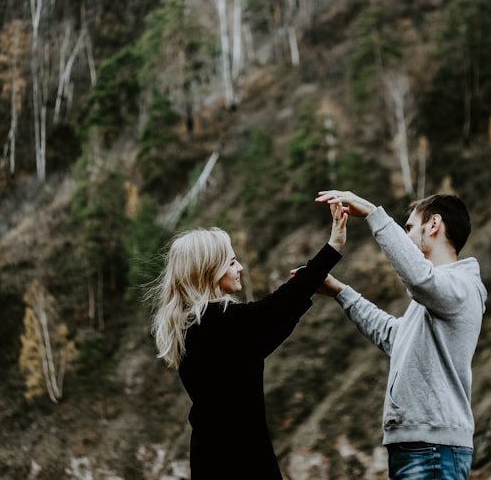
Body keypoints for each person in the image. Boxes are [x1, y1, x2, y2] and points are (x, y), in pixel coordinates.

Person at [149, 202, 347, 480]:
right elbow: (276, 309)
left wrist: (308, 282)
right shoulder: (217, 323)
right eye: (231, 262)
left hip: (212, 458)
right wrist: (333, 247)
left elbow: (269, 323)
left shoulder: (191, 325)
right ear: (209, 271)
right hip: (238, 461)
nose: (239, 267)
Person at [313, 189, 487, 480]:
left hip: (434, 450)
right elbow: (393, 336)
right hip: (417, 447)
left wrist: (372, 213)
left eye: (408, 227)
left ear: (433, 225)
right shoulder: (437, 296)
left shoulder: (461, 287)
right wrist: (340, 292)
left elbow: (418, 277)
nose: (405, 237)